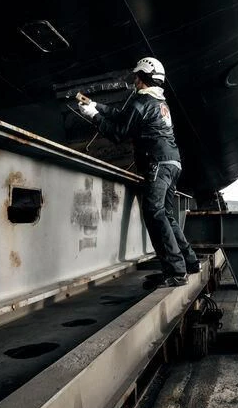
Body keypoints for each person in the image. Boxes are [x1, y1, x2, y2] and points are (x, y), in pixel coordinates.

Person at [78, 57, 199, 287]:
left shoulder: (141, 101)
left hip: (157, 164)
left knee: (154, 213)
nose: (134, 80)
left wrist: (93, 117)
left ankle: (176, 271)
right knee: (166, 214)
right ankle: (190, 262)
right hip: (173, 164)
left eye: (137, 76)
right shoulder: (159, 102)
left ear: (144, 77)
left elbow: (118, 133)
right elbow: (124, 116)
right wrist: (96, 106)